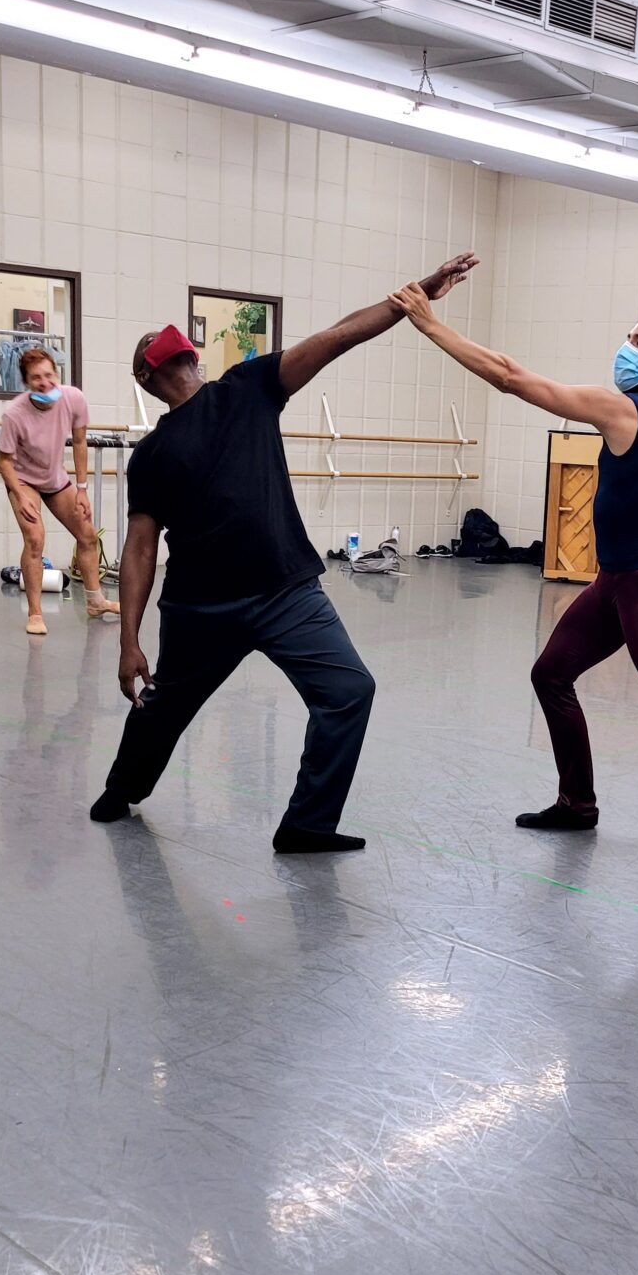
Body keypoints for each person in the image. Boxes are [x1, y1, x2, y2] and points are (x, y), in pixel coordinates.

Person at [89, 252, 480, 852]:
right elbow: (140, 548)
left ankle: (305, 825)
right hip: (205, 611)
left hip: (284, 593)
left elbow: (339, 335)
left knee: (346, 692)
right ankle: (124, 788)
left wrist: (412, 299)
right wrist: (128, 640)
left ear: (170, 367)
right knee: (167, 708)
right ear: (174, 366)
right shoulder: (165, 446)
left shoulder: (246, 390)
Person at [386, 290, 638, 893]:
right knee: (551, 674)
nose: (627, 348)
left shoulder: (621, 408)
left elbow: (510, 377)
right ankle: (577, 805)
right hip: (623, 582)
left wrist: (430, 325)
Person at [0, 347, 118, 635]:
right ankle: (36, 614)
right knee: (35, 539)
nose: (44, 382)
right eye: (36, 377)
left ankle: (96, 601)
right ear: (27, 382)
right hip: (23, 479)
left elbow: (79, 442)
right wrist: (19, 495)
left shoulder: (73, 399)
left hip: (55, 478)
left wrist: (82, 489)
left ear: (57, 374)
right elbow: (4, 461)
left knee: (87, 536)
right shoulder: (14, 414)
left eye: (49, 374)